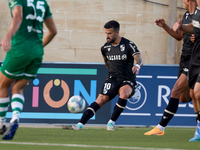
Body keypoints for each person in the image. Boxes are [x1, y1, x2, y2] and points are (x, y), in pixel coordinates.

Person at [71, 20, 143, 131]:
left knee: (123, 94)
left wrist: (137, 66)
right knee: (100, 100)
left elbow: (139, 59)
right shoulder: (105, 48)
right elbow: (107, 62)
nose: (107, 36)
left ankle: (110, 123)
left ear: (117, 32)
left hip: (127, 78)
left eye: (109, 33)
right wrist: (111, 75)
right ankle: (80, 124)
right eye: (106, 33)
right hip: (113, 78)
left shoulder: (128, 44)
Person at [0, 0, 57, 140]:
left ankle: (1, 124)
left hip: (19, 48)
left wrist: (8, 36)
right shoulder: (42, 2)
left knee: (2, 84)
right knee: (18, 88)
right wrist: (36, 49)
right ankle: (15, 119)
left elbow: (18, 16)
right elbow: (53, 31)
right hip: (37, 52)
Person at [144, 0, 197, 136]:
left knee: (175, 91)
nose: (183, 2)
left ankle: (160, 127)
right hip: (184, 59)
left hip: (194, 59)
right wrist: (164, 26)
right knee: (184, 98)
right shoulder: (186, 15)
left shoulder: (198, 15)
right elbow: (179, 36)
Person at [173, 0, 200, 142]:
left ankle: (161, 126)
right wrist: (181, 26)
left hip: (197, 60)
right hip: (193, 59)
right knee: (190, 95)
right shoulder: (194, 15)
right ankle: (199, 128)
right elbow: (190, 28)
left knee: (196, 92)